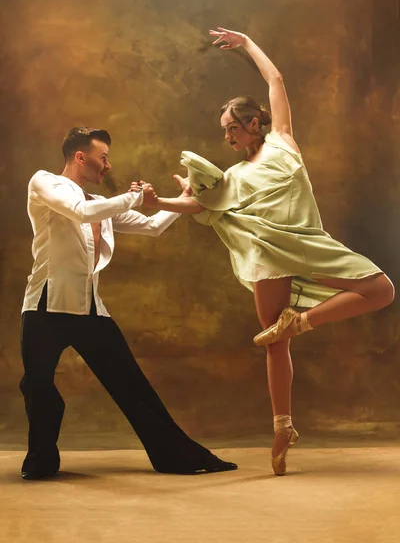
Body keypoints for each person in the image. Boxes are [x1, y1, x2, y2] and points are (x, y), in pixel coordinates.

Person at [138, 27, 395, 477]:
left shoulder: (282, 141)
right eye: (224, 132)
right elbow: (201, 203)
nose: (228, 138)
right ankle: (282, 429)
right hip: (268, 258)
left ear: (254, 123)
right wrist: (160, 202)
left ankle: (301, 320)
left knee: (380, 290)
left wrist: (249, 43)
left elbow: (275, 81)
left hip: (309, 244)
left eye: (232, 128)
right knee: (275, 342)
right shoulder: (232, 177)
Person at [20, 126, 237, 480]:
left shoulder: (98, 204)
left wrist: (182, 199)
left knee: (133, 385)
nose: (108, 165)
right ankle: (41, 461)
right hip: (45, 307)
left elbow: (151, 226)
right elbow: (77, 211)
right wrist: (132, 197)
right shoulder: (44, 182)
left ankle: (178, 457)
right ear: (80, 157)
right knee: (39, 386)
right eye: (102, 157)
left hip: (90, 311)